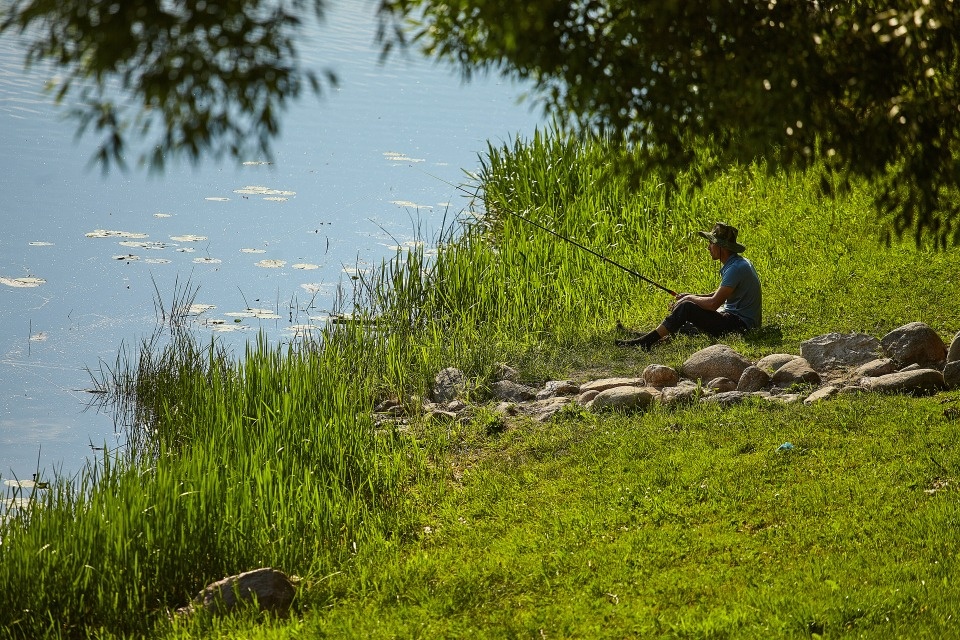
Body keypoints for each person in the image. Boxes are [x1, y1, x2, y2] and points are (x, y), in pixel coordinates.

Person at [617, 222, 761, 351]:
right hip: (737, 321)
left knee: (686, 308)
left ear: (721, 246)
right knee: (684, 318)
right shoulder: (737, 263)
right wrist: (690, 296)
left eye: (711, 243)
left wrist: (689, 299)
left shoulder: (735, 268)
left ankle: (645, 342)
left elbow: (713, 304)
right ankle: (644, 337)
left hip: (741, 327)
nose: (708, 247)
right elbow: (718, 294)